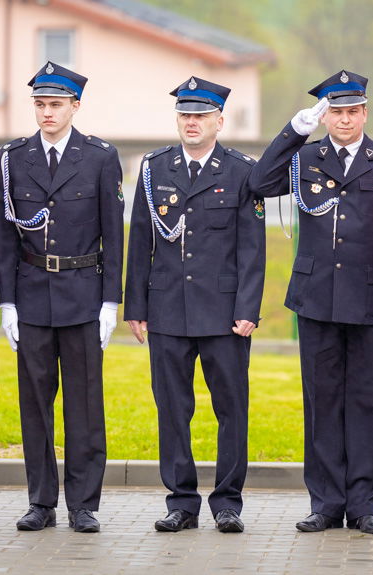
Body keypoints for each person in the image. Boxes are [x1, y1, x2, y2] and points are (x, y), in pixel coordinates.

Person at [248, 70, 373, 534]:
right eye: (336, 113)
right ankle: (325, 502)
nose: (344, 120)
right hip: (317, 298)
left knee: (367, 402)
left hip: (370, 300)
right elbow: (259, 183)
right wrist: (293, 131)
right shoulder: (306, 157)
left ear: (365, 113)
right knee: (322, 401)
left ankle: (364, 504)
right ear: (325, 118)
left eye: (352, 111)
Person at [124, 77, 265, 533]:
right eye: (185, 115)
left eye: (201, 115)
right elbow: (140, 241)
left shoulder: (242, 171)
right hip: (167, 308)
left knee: (231, 408)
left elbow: (251, 248)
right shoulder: (154, 168)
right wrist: (135, 306)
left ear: (219, 121)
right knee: (171, 407)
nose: (192, 122)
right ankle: (181, 502)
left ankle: (227, 501)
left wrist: (248, 307)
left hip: (224, 313)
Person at [0, 62, 124, 533]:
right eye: (40, 105)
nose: (47, 113)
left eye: (55, 105)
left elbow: (113, 232)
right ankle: (41, 501)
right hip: (31, 294)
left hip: (83, 293)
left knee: (85, 405)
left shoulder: (99, 157)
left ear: (75, 106)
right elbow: (5, 237)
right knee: (35, 404)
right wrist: (5, 302)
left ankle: (83, 503)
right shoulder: (13, 158)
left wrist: (111, 302)